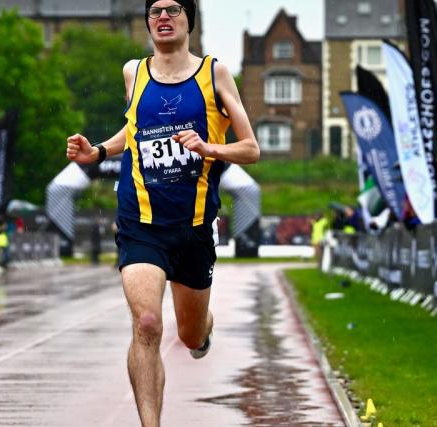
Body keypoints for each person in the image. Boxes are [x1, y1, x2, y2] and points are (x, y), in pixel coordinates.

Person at [66, 1, 259, 425]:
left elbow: (251, 148)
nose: (164, 17)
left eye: (173, 10)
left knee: (189, 335)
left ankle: (203, 326)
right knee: (148, 323)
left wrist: (210, 148)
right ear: (148, 22)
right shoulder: (132, 72)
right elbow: (134, 130)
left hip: (192, 228)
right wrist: (98, 151)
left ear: (189, 20)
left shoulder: (214, 73)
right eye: (155, 11)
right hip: (141, 225)